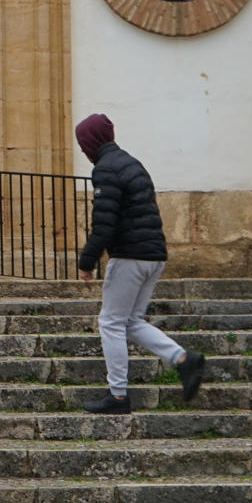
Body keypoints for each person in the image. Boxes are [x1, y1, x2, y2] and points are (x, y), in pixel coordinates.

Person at [75, 113, 205, 414]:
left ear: (91, 141)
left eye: (83, 143)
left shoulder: (106, 169)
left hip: (130, 257)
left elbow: (104, 224)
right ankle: (183, 359)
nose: (83, 150)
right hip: (153, 255)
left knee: (110, 322)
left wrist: (87, 260)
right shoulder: (131, 162)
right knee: (130, 321)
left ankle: (118, 396)